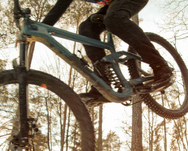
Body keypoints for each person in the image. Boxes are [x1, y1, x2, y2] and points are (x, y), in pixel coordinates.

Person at [42, 0, 173, 105]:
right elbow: (58, 9)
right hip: (113, 3)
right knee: (86, 28)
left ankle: (160, 66)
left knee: (114, 19)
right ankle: (103, 82)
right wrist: (38, 28)